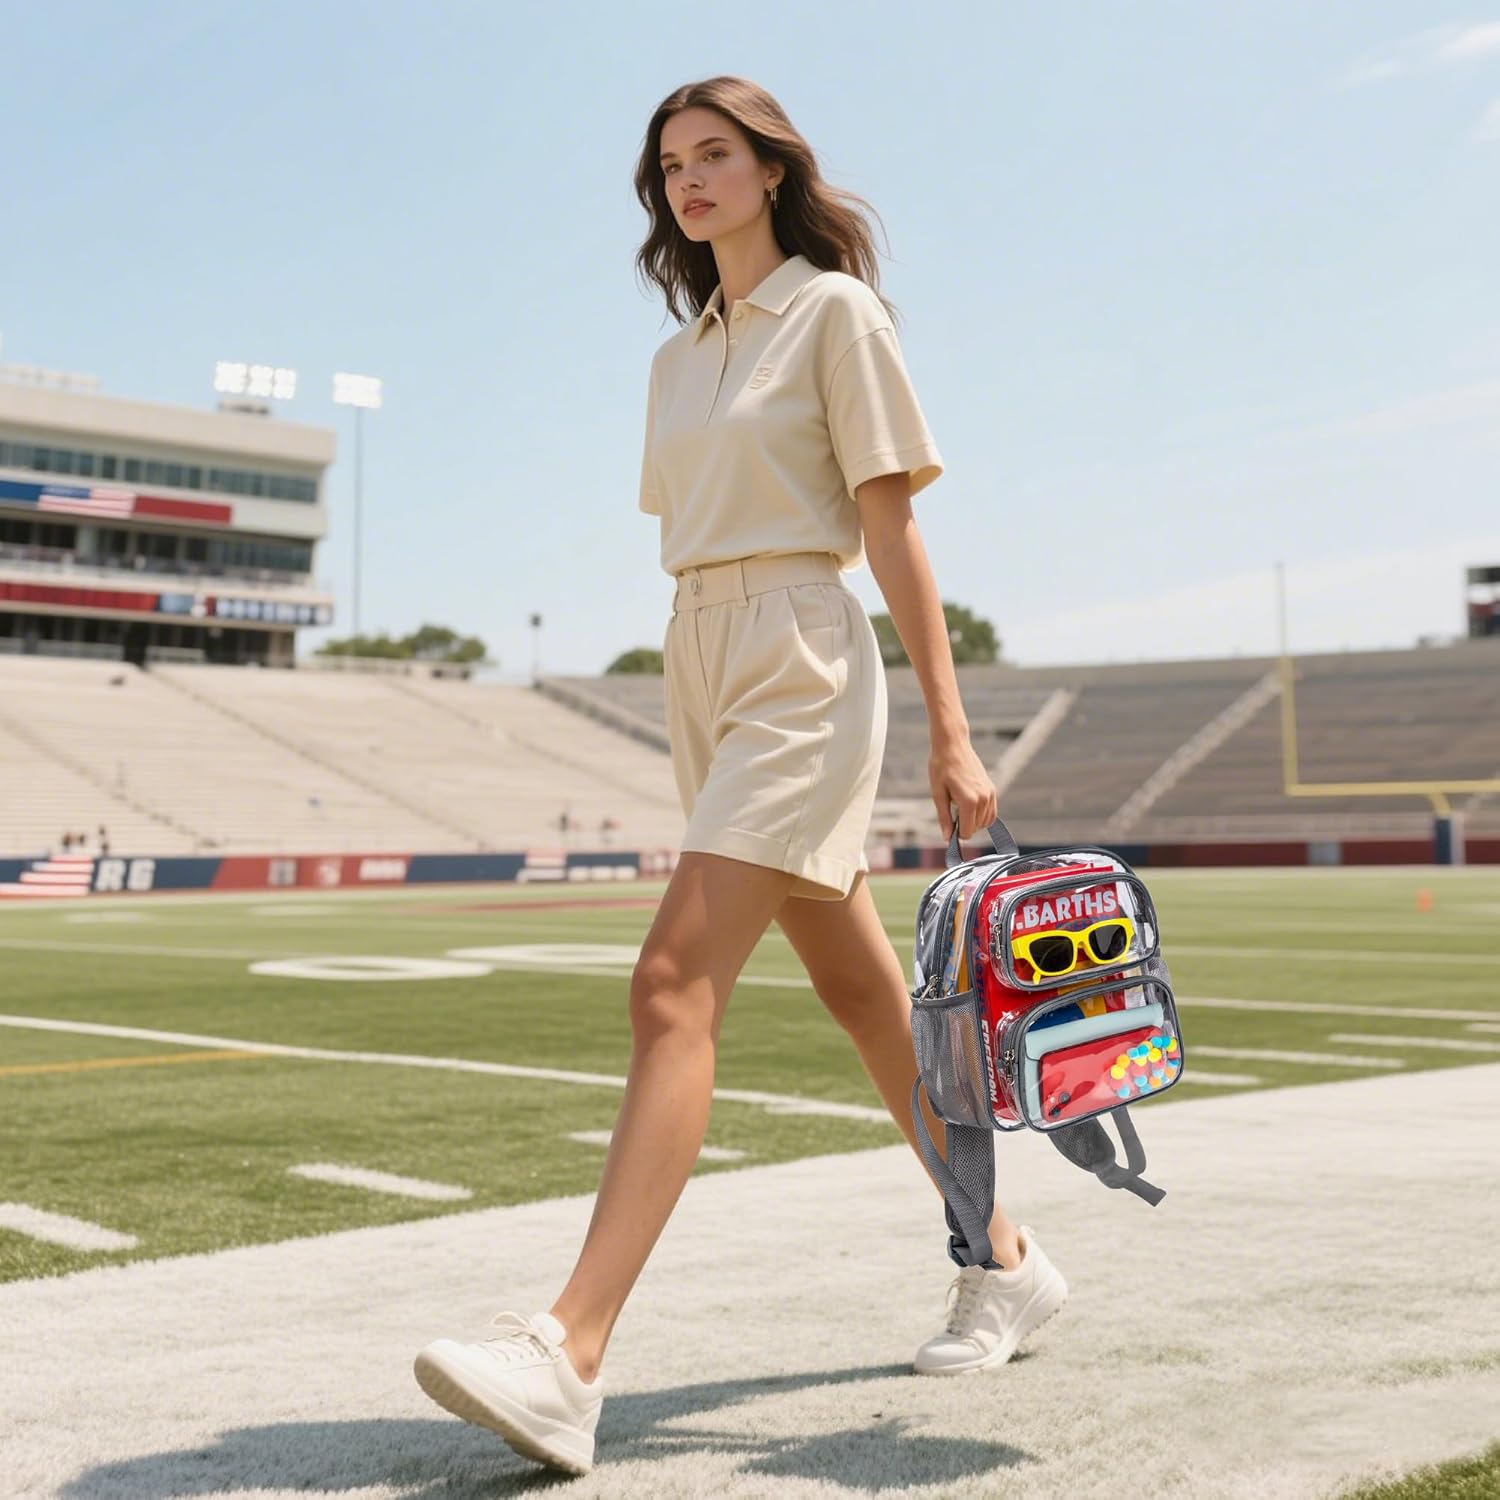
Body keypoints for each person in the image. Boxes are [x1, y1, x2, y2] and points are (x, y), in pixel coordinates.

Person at [413, 74, 1067, 1476]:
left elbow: (887, 528)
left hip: (804, 656)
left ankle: (569, 1353)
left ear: (774, 171)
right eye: (671, 166)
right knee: (864, 997)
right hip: (697, 654)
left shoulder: (836, 314)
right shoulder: (676, 361)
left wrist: (951, 728)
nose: (690, 180)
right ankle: (1005, 1258)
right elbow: (696, 530)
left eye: (715, 155)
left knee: (670, 985)